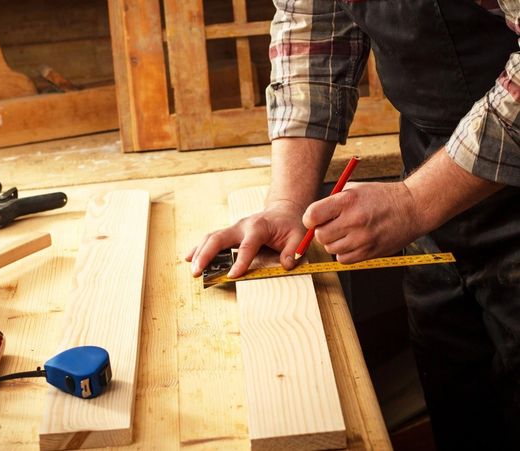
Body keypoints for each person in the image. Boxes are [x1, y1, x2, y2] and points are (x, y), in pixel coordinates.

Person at [187, 1, 520, 449]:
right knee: (461, 407)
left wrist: (415, 200)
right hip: (433, 170)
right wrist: (287, 202)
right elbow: (313, 35)